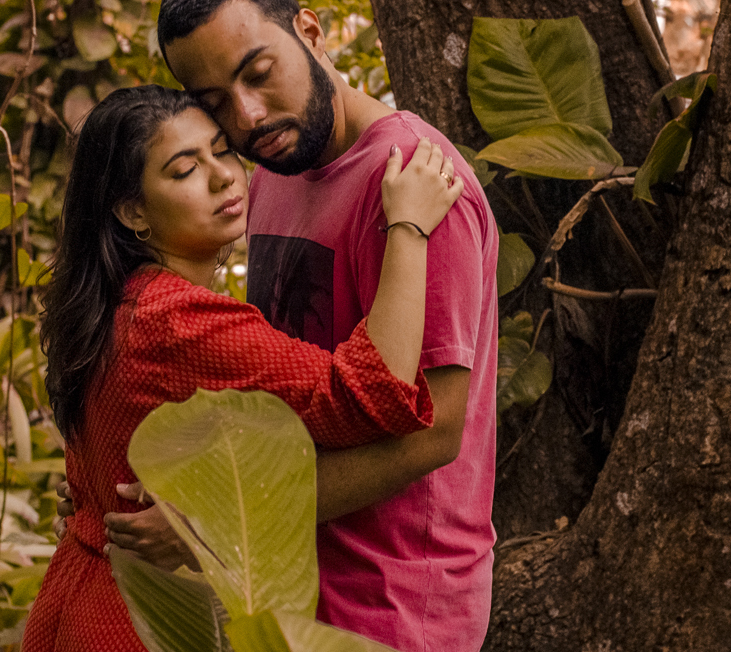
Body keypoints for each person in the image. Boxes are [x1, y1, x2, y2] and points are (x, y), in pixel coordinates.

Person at [94, 0, 501, 651]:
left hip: (394, 606)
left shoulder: (415, 186)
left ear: (310, 32)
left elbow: (431, 434)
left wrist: (212, 520)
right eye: (216, 101)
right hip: (284, 585)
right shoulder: (272, 169)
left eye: (258, 73)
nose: (248, 116)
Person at [25, 85, 464, 651]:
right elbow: (364, 396)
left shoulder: (118, 299)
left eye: (220, 151)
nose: (222, 177)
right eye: (184, 169)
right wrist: (407, 227)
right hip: (130, 624)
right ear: (132, 210)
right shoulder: (176, 319)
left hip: (81, 601)